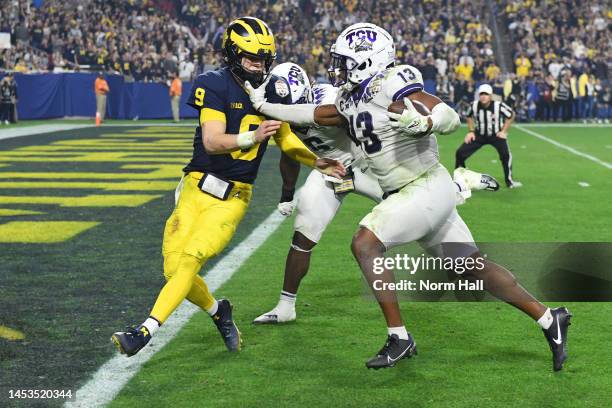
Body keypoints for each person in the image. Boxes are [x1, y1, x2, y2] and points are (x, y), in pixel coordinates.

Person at [246, 22, 571, 372]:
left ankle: (399, 337)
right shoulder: (349, 97)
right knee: (470, 268)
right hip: (417, 192)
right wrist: (266, 105)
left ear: (366, 59)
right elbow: (311, 113)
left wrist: (428, 123)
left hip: (422, 187)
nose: (337, 68)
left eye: (344, 60)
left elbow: (447, 114)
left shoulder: (392, 82)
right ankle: (548, 318)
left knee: (365, 243)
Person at [110, 17, 345, 358]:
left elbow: (287, 142)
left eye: (264, 58)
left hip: (233, 196)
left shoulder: (271, 92)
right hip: (194, 186)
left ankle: (145, 331)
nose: (260, 65)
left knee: (191, 260)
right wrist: (253, 135)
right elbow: (212, 141)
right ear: (233, 55)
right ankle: (219, 311)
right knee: (174, 269)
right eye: (251, 57)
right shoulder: (214, 83)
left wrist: (317, 161)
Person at [252, 63, 498, 325]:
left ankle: (459, 187)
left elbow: (327, 116)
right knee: (304, 231)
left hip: (367, 166)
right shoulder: (283, 115)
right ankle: (286, 305)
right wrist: (287, 194)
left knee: (418, 213)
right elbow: (290, 153)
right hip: (329, 169)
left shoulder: (327, 95)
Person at [455, 84, 521, 188]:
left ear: (490, 96)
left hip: (496, 135)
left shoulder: (498, 106)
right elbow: (468, 116)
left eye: (486, 94)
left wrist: (503, 131)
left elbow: (511, 114)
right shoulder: (474, 105)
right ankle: (461, 180)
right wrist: (471, 131)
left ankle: (509, 181)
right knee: (460, 153)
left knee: (506, 155)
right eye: (481, 94)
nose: (483, 96)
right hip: (479, 135)